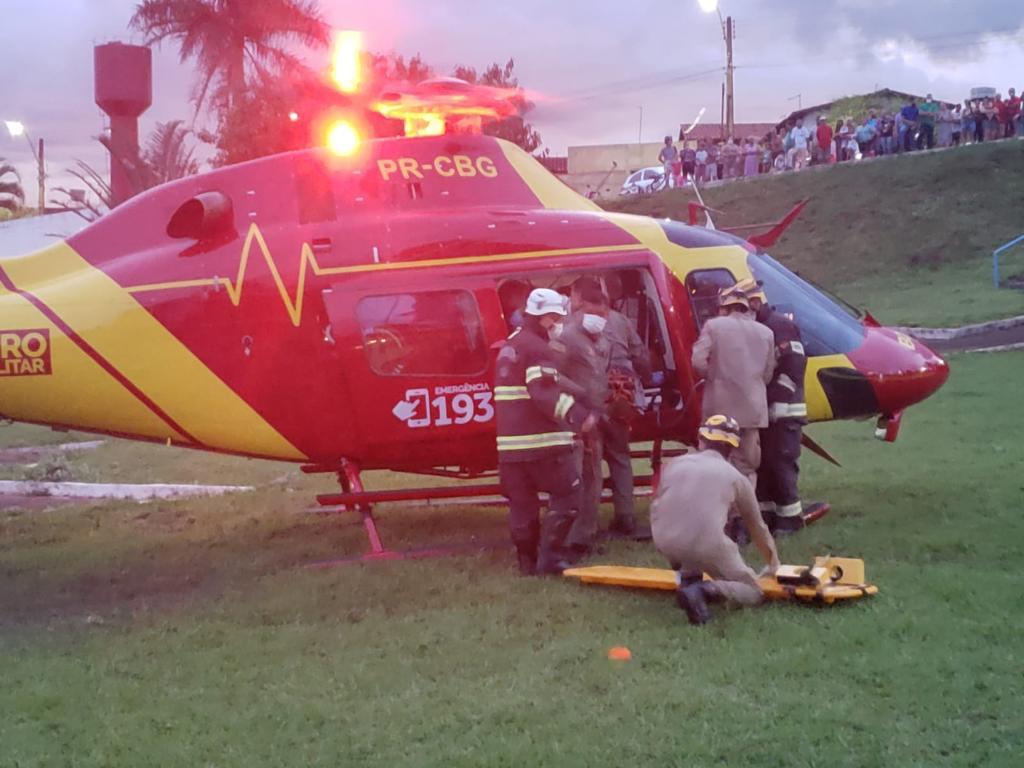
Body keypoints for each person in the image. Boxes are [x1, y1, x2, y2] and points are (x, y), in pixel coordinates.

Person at [495, 288, 596, 576]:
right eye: (558, 317)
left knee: (522, 506)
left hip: (511, 449)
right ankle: (550, 559)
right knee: (569, 497)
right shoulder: (538, 348)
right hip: (543, 444)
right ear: (546, 317)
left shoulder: (510, 345)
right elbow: (543, 393)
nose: (560, 323)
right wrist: (579, 417)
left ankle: (527, 564)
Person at [651, 414, 781, 625]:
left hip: (664, 539)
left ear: (701, 440)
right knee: (754, 591)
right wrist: (773, 563)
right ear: (733, 448)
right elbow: (757, 528)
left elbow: (659, 505)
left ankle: (688, 578)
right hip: (705, 544)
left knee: (686, 530)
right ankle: (705, 590)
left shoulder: (673, 465)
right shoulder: (736, 477)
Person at [736, 279, 825, 535]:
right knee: (763, 465)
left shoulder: (780, 326)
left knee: (781, 464)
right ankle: (766, 516)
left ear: (754, 302)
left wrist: (777, 398)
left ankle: (790, 520)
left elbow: (795, 364)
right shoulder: (758, 328)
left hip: (784, 412)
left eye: (743, 308)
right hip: (765, 412)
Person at [691, 284, 775, 490]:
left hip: (720, 407)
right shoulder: (766, 332)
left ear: (725, 308)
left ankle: (724, 513)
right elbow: (768, 372)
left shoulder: (713, 326)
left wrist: (713, 376)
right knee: (747, 465)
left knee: (717, 460)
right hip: (753, 407)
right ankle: (744, 515)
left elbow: (697, 361)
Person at [558, 280, 612, 558]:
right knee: (575, 480)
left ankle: (585, 536)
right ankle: (566, 539)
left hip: (595, 419)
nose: (601, 320)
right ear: (581, 309)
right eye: (596, 314)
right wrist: (579, 404)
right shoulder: (566, 338)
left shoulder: (601, 341)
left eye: (604, 315)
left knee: (594, 480)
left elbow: (601, 377)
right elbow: (553, 377)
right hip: (574, 421)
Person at [598, 274, 652, 539]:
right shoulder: (621, 321)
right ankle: (625, 517)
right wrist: (650, 376)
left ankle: (584, 522)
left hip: (591, 401)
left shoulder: (569, 324)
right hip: (620, 398)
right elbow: (640, 354)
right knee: (620, 456)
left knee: (589, 461)